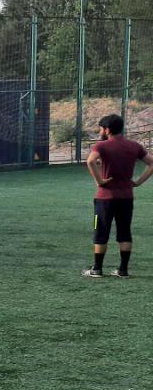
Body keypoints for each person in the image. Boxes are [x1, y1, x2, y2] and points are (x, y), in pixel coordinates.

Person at [82, 114, 151, 278]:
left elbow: (90, 161)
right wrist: (139, 181)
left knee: (101, 232)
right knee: (125, 233)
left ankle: (97, 269)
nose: (100, 131)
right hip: (126, 197)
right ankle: (123, 270)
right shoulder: (134, 146)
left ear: (107, 129)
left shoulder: (102, 146)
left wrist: (99, 181)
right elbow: (151, 162)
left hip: (105, 198)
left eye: (101, 128)